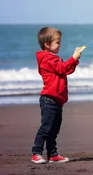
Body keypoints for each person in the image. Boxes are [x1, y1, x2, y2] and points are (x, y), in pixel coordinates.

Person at [31, 26, 84, 164]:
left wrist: (75, 59)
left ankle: (52, 154)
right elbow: (62, 68)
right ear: (47, 44)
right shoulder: (47, 58)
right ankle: (36, 153)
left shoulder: (54, 58)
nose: (60, 45)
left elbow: (66, 70)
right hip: (49, 99)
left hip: (57, 101)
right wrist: (73, 58)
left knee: (54, 129)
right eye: (57, 42)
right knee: (46, 127)